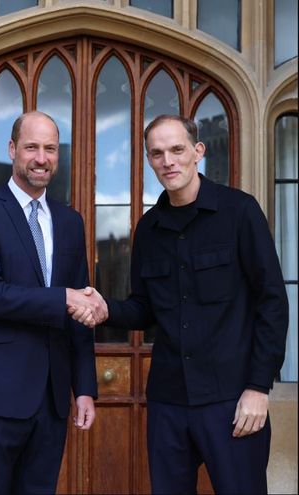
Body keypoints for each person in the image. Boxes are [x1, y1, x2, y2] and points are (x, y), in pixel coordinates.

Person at [70, 115, 289, 494]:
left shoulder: (240, 212)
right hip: (169, 401)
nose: (167, 161)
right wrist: (107, 310)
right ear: (149, 160)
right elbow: (144, 308)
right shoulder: (149, 229)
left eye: (176, 150)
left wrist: (258, 387)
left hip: (233, 398)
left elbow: (272, 301)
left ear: (198, 151)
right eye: (157, 153)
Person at [0, 111, 107, 494]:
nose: (41, 158)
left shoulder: (70, 221)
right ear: (12, 150)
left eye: (50, 149)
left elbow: (80, 309)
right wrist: (63, 297)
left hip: (51, 403)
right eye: (32, 147)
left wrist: (84, 387)